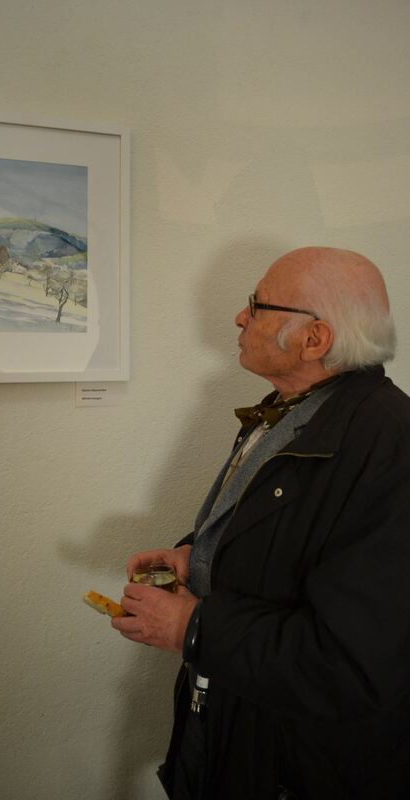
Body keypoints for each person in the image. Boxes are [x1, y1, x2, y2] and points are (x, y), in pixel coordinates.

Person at [111, 246, 410, 800]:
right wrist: (196, 555)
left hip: (297, 766)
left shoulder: (389, 444)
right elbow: (283, 534)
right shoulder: (292, 408)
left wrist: (191, 628)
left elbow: (355, 664)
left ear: (315, 339)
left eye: (256, 304)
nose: (240, 317)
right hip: (232, 725)